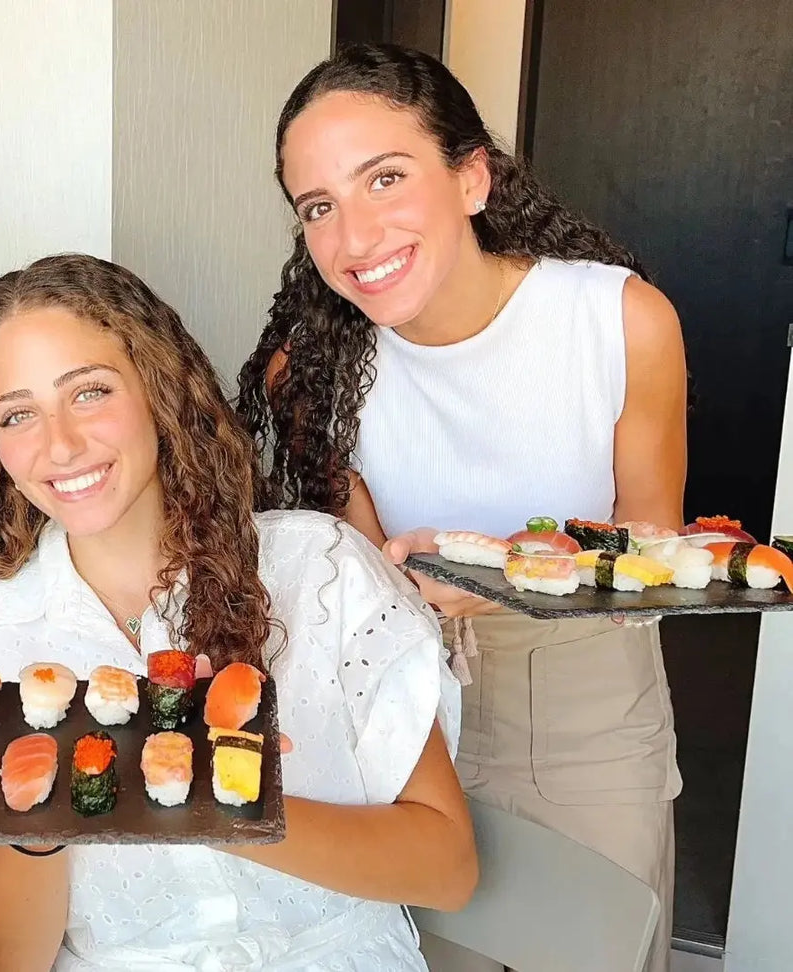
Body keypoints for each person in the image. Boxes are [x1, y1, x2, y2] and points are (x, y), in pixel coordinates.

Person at [0, 253, 476, 971]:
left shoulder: (321, 571)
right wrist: (44, 819)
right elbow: (14, 957)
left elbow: (445, 870)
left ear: (158, 388)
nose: (60, 444)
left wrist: (215, 801)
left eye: (90, 392)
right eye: (17, 415)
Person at [234, 44, 687, 972]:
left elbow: (661, 552)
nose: (354, 239)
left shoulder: (620, 321)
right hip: (415, 714)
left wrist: (516, 570)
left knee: (593, 946)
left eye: (385, 179)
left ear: (471, 177)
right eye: (318, 207)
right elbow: (359, 581)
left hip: (589, 714)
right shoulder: (311, 374)